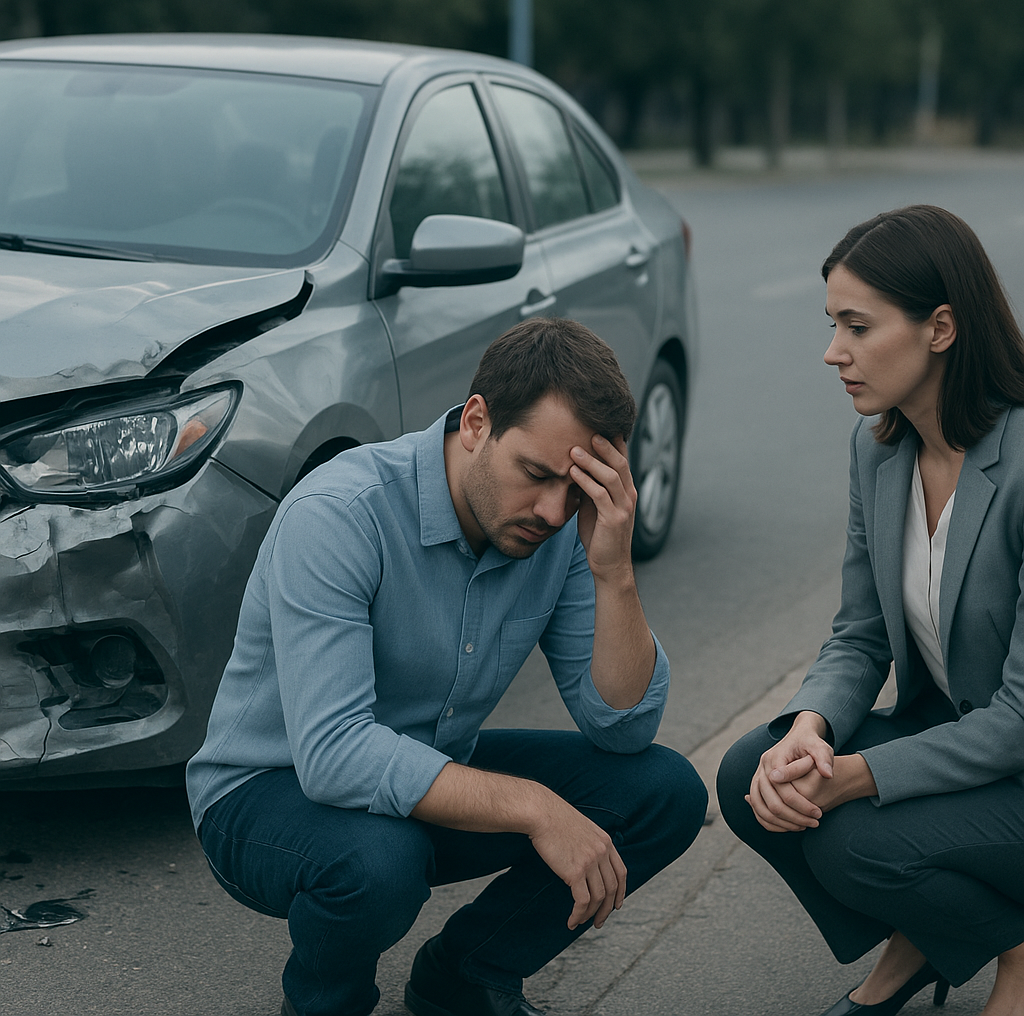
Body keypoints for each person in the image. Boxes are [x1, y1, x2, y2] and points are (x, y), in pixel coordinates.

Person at [186, 316, 707, 1016]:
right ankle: (323, 1003)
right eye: (536, 474)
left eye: (577, 489)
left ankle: (463, 978)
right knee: (379, 862)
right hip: (267, 791)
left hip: (423, 771)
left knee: (662, 792)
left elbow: (623, 728)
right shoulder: (341, 514)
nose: (554, 511)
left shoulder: (561, 530)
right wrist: (534, 807)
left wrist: (613, 572)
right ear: (476, 422)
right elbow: (335, 756)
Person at [717, 204, 1024, 1016]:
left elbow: (1020, 718)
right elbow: (859, 635)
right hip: (952, 742)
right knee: (756, 770)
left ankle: (1014, 953)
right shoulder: (880, 449)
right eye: (832, 324)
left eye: (857, 326)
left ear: (942, 328)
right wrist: (811, 733)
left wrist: (853, 778)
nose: (833, 353)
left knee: (856, 838)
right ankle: (935, 939)